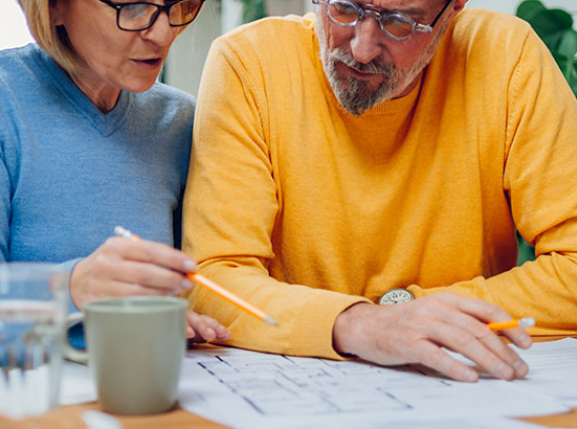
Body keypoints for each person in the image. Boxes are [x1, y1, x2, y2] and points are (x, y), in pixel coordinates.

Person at [182, 0, 577, 382]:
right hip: (293, 390)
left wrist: (409, 314)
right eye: (344, 9)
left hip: (461, 386)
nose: (362, 48)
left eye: (401, 21)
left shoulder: (507, 56)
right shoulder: (248, 63)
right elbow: (215, 281)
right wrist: (358, 324)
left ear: (452, 10)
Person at [0, 0, 229, 356]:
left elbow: (180, 286)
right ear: (54, 9)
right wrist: (74, 288)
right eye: (133, 6)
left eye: (178, 4)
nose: (163, 33)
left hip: (123, 370)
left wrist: (178, 314)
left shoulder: (179, 120)